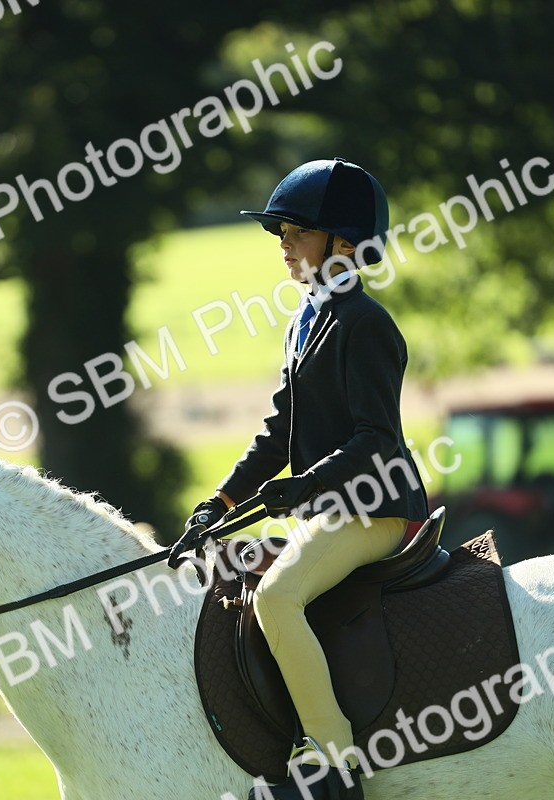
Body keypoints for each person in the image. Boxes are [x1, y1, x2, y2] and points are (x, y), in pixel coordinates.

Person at [178, 158, 428, 799]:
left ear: (344, 244)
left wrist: (299, 488)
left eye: (295, 233)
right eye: (281, 234)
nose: (283, 247)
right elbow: (277, 431)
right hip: (329, 508)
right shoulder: (307, 321)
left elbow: (376, 439)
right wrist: (222, 500)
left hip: (375, 510)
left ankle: (336, 766)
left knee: (276, 599)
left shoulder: (366, 327)